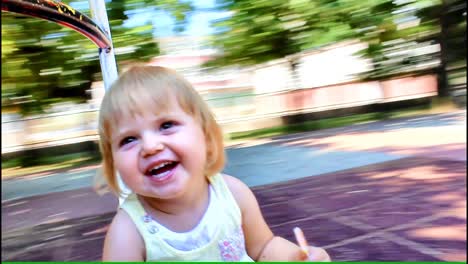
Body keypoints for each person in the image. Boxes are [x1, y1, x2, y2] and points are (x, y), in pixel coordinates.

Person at [97, 65, 331, 262]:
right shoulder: (128, 232)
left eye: (166, 125)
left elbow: (264, 247)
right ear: (113, 163)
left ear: (206, 135)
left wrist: (298, 257)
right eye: (128, 139)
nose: (150, 146)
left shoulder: (232, 194)